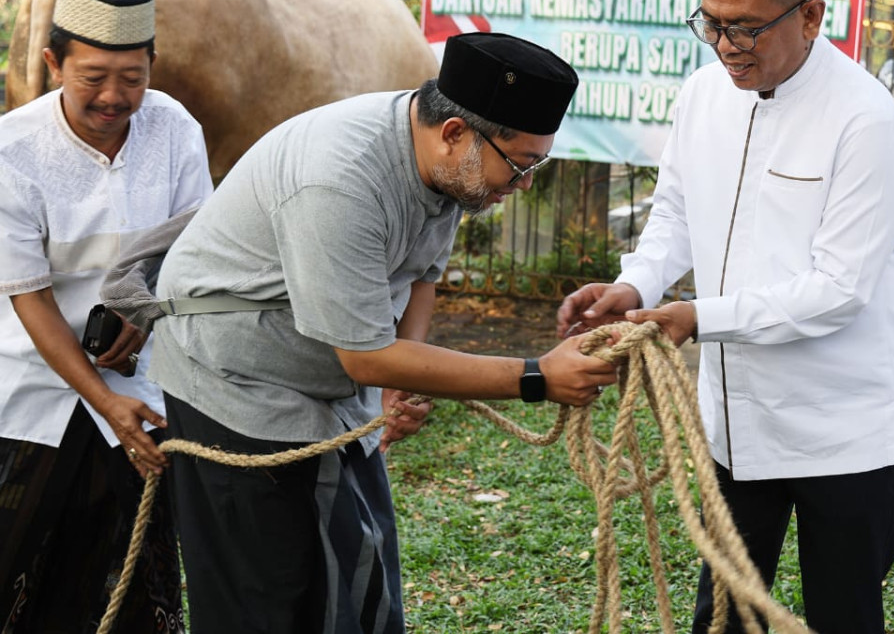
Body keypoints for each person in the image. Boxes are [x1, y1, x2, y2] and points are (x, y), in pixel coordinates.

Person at [147, 31, 618, 631]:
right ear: (455, 134)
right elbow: (368, 358)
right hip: (239, 381)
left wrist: (409, 377)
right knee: (267, 594)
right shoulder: (339, 178)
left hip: (328, 379)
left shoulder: (452, 167)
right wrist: (535, 377)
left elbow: (422, 274)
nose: (524, 184)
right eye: (521, 165)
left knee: (359, 582)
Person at [556, 0, 894, 634]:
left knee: (842, 618)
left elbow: (837, 291)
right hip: (733, 426)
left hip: (842, 432)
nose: (726, 46)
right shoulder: (701, 97)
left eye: (746, 27)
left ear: (812, 15)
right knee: (718, 618)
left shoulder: (865, 121)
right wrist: (636, 286)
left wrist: (698, 319)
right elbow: (675, 218)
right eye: (712, 22)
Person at [0, 0, 212, 630]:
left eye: (133, 77)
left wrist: (144, 319)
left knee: (129, 581)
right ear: (52, 63)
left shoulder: (175, 129)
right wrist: (105, 401)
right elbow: (30, 299)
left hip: (142, 386)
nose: (115, 97)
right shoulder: (12, 151)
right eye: (93, 77)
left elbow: (198, 250)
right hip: (32, 388)